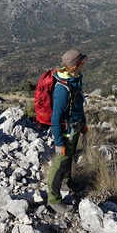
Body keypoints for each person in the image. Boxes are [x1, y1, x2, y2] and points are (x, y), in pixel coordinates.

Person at [47, 48, 88, 214]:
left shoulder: (75, 79)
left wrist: (83, 123)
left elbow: (77, 106)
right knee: (60, 163)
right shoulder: (62, 89)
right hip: (65, 133)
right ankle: (54, 199)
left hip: (75, 128)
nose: (84, 64)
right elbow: (55, 118)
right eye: (82, 63)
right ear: (74, 66)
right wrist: (58, 142)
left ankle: (66, 182)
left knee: (69, 157)